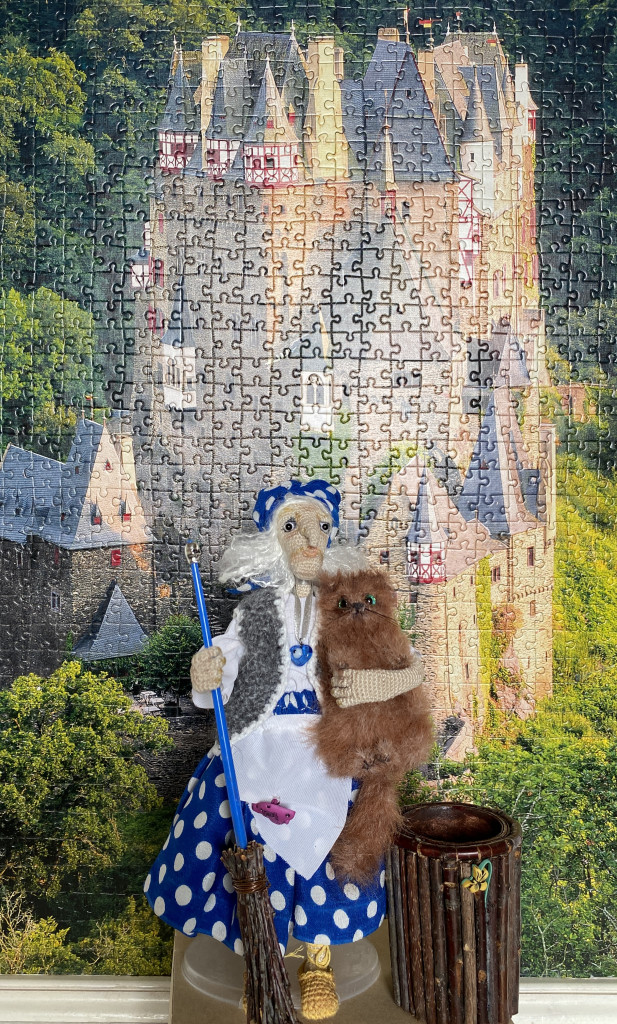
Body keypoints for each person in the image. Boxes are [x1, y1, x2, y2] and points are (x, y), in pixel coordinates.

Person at [144, 479, 422, 1019]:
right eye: (293, 527)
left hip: (328, 739)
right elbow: (228, 658)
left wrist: (372, 686)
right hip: (261, 736)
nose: (309, 539)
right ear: (273, 540)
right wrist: (209, 671)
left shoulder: (349, 609)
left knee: (331, 840)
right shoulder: (255, 611)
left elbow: (400, 666)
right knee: (249, 841)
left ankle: (318, 961)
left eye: (321, 526)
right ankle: (262, 959)